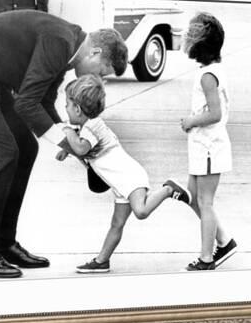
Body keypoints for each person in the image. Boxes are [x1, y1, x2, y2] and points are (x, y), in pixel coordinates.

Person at [0, 9, 128, 278]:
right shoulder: (59, 42)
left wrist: (76, 147)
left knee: (26, 148)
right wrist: (68, 142)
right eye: (103, 72)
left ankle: (4, 243)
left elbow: (42, 101)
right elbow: (26, 104)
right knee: (2, 156)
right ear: (95, 52)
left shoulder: (68, 49)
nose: (99, 79)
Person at [55, 74, 192, 273]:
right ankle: (102, 261)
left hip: (130, 177)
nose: (65, 108)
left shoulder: (93, 125)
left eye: (67, 104)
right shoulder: (86, 127)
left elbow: (83, 149)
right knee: (116, 223)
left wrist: (66, 131)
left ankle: (168, 189)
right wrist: (67, 149)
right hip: (120, 185)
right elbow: (81, 146)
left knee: (141, 212)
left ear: (77, 108)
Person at [180, 12, 237, 271]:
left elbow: (215, 114)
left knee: (205, 202)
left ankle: (206, 258)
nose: (186, 40)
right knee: (193, 197)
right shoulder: (210, 71)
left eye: (191, 36)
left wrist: (191, 121)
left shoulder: (207, 76)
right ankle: (224, 241)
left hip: (209, 148)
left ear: (199, 45)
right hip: (203, 147)